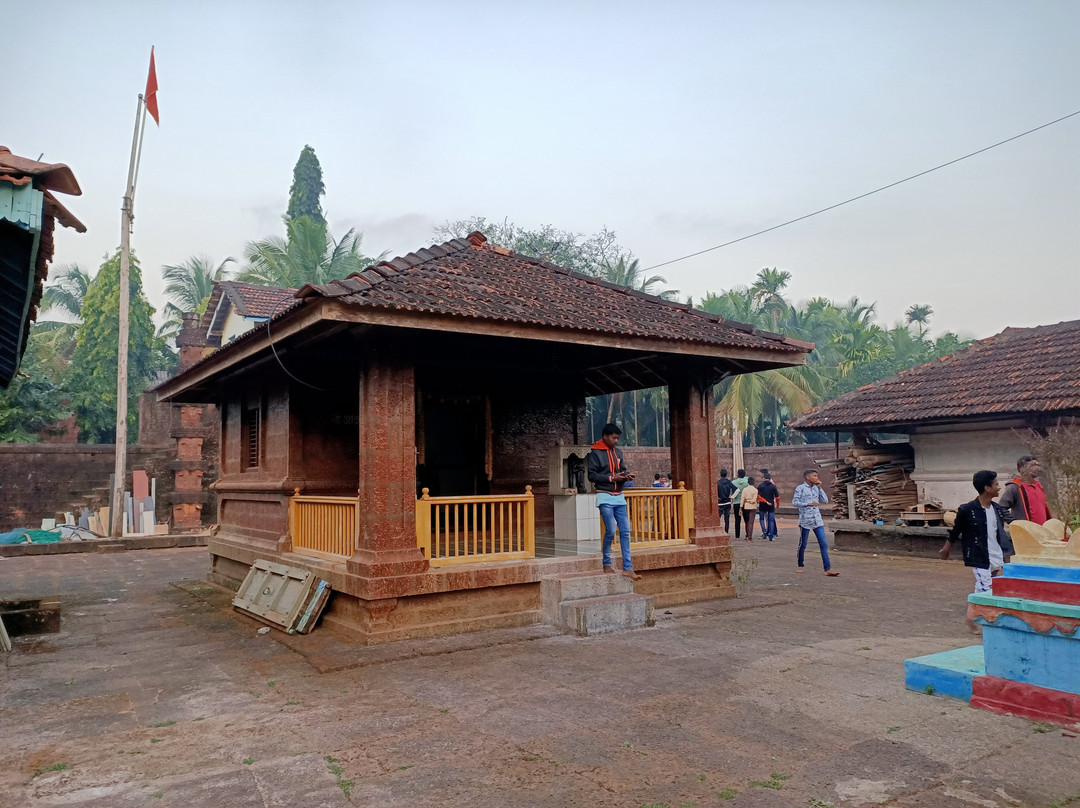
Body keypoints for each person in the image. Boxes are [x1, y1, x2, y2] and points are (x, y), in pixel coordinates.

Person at [939, 470, 1014, 634]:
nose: (999, 487)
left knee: (981, 591)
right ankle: (992, 624)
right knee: (989, 590)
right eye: (996, 484)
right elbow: (956, 529)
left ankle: (970, 620)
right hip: (978, 556)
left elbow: (1013, 523)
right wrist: (947, 547)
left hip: (996, 555)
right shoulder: (967, 510)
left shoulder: (997, 509)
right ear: (987, 487)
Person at [587, 423, 641, 580]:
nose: (616, 441)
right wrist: (612, 478)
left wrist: (626, 475)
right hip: (604, 495)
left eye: (618, 438)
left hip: (619, 495)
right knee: (610, 530)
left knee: (625, 531)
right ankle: (606, 562)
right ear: (605, 437)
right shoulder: (595, 452)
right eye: (614, 437)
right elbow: (592, 475)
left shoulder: (618, 452)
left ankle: (628, 568)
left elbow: (621, 470)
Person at [793, 469, 838, 576]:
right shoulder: (800, 488)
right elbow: (795, 502)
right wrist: (808, 504)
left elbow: (825, 500)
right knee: (803, 544)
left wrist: (820, 487)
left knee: (823, 544)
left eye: (817, 476)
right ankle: (800, 564)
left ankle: (827, 569)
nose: (816, 478)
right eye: (814, 476)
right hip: (805, 520)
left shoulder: (817, 488)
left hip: (817, 520)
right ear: (808, 477)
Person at [998, 455, 1053, 525]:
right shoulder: (1014, 487)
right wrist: (1015, 523)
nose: (1037, 468)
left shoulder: (1039, 486)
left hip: (1041, 531)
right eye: (1032, 465)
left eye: (1038, 465)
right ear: (1021, 468)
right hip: (1026, 532)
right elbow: (1001, 507)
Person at [756, 472, 780, 541]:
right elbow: (777, 497)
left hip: (762, 505)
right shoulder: (773, 486)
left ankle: (764, 532)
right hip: (771, 505)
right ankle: (771, 536)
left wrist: (763, 501)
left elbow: (758, 496)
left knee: (761, 519)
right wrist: (777, 505)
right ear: (770, 479)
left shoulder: (760, 486)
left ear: (764, 478)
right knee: (771, 520)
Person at [731, 469, 749, 539]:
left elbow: (732, 491)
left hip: (736, 502)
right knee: (746, 519)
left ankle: (737, 535)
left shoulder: (733, 482)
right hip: (745, 502)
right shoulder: (747, 481)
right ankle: (748, 534)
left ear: (738, 474)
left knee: (737, 519)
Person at [739, 476, 759, 541]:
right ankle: (749, 537)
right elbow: (754, 499)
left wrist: (741, 508)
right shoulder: (755, 490)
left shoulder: (745, 490)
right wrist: (750, 501)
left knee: (747, 522)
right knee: (751, 522)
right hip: (752, 507)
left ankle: (747, 534)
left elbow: (742, 499)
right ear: (753, 482)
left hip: (746, 506)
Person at [717, 469, 736, 534]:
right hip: (727, 502)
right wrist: (732, 497)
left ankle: (717, 531)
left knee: (718, 518)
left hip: (720, 503)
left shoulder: (718, 482)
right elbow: (737, 490)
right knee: (727, 519)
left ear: (720, 474)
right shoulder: (729, 482)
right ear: (726, 474)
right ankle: (726, 532)